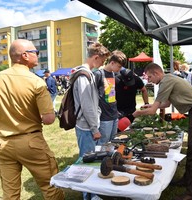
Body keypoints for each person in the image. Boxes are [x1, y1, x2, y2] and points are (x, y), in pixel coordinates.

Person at [0, 39, 64, 200]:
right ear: (25, 55)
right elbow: (48, 119)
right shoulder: (35, 81)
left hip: (3, 145)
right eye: (36, 52)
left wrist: (7, 118)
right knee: (51, 186)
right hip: (31, 142)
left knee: (10, 194)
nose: (38, 56)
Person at [132, 63, 192, 200]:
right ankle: (186, 180)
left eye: (150, 77)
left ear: (157, 73)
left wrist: (137, 113)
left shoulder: (165, 81)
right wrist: (152, 105)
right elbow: (166, 104)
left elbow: (151, 112)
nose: (149, 80)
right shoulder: (169, 79)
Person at [72, 42, 110, 200]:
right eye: (102, 61)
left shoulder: (88, 74)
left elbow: (92, 103)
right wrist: (95, 129)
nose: (102, 65)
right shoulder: (84, 76)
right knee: (88, 161)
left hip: (89, 125)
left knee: (92, 160)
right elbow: (87, 106)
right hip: (86, 127)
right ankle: (89, 195)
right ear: (96, 57)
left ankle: (92, 192)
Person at [93, 50, 127, 144]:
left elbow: (110, 95)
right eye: (119, 66)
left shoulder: (113, 74)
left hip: (113, 116)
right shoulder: (98, 74)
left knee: (112, 143)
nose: (120, 69)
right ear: (112, 62)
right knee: (103, 144)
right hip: (104, 118)